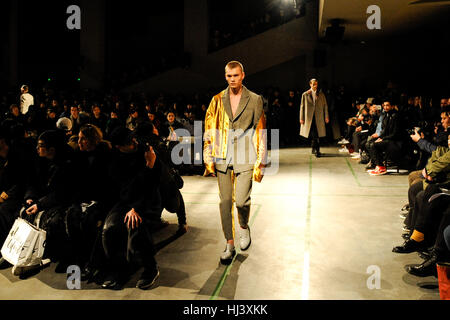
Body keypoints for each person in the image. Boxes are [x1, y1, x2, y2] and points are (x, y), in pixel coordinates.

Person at [203, 61, 267, 265]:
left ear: (243, 75)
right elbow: (209, 127)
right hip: (222, 155)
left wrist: (262, 159)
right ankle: (229, 243)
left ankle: (243, 226)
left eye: (236, 76)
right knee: (224, 202)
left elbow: (261, 129)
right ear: (225, 76)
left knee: (241, 201)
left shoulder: (255, 99)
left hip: (245, 154)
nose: (232, 79)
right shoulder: (216, 100)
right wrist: (208, 156)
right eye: (229, 76)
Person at [299, 79, 329, 158]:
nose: (315, 86)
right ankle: (314, 148)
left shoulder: (321, 94)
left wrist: (326, 116)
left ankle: (317, 150)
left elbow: (325, 105)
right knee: (313, 134)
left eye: (316, 84)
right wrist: (301, 118)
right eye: (313, 84)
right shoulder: (305, 94)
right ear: (310, 84)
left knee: (316, 134)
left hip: (318, 117)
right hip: (309, 117)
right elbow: (302, 107)